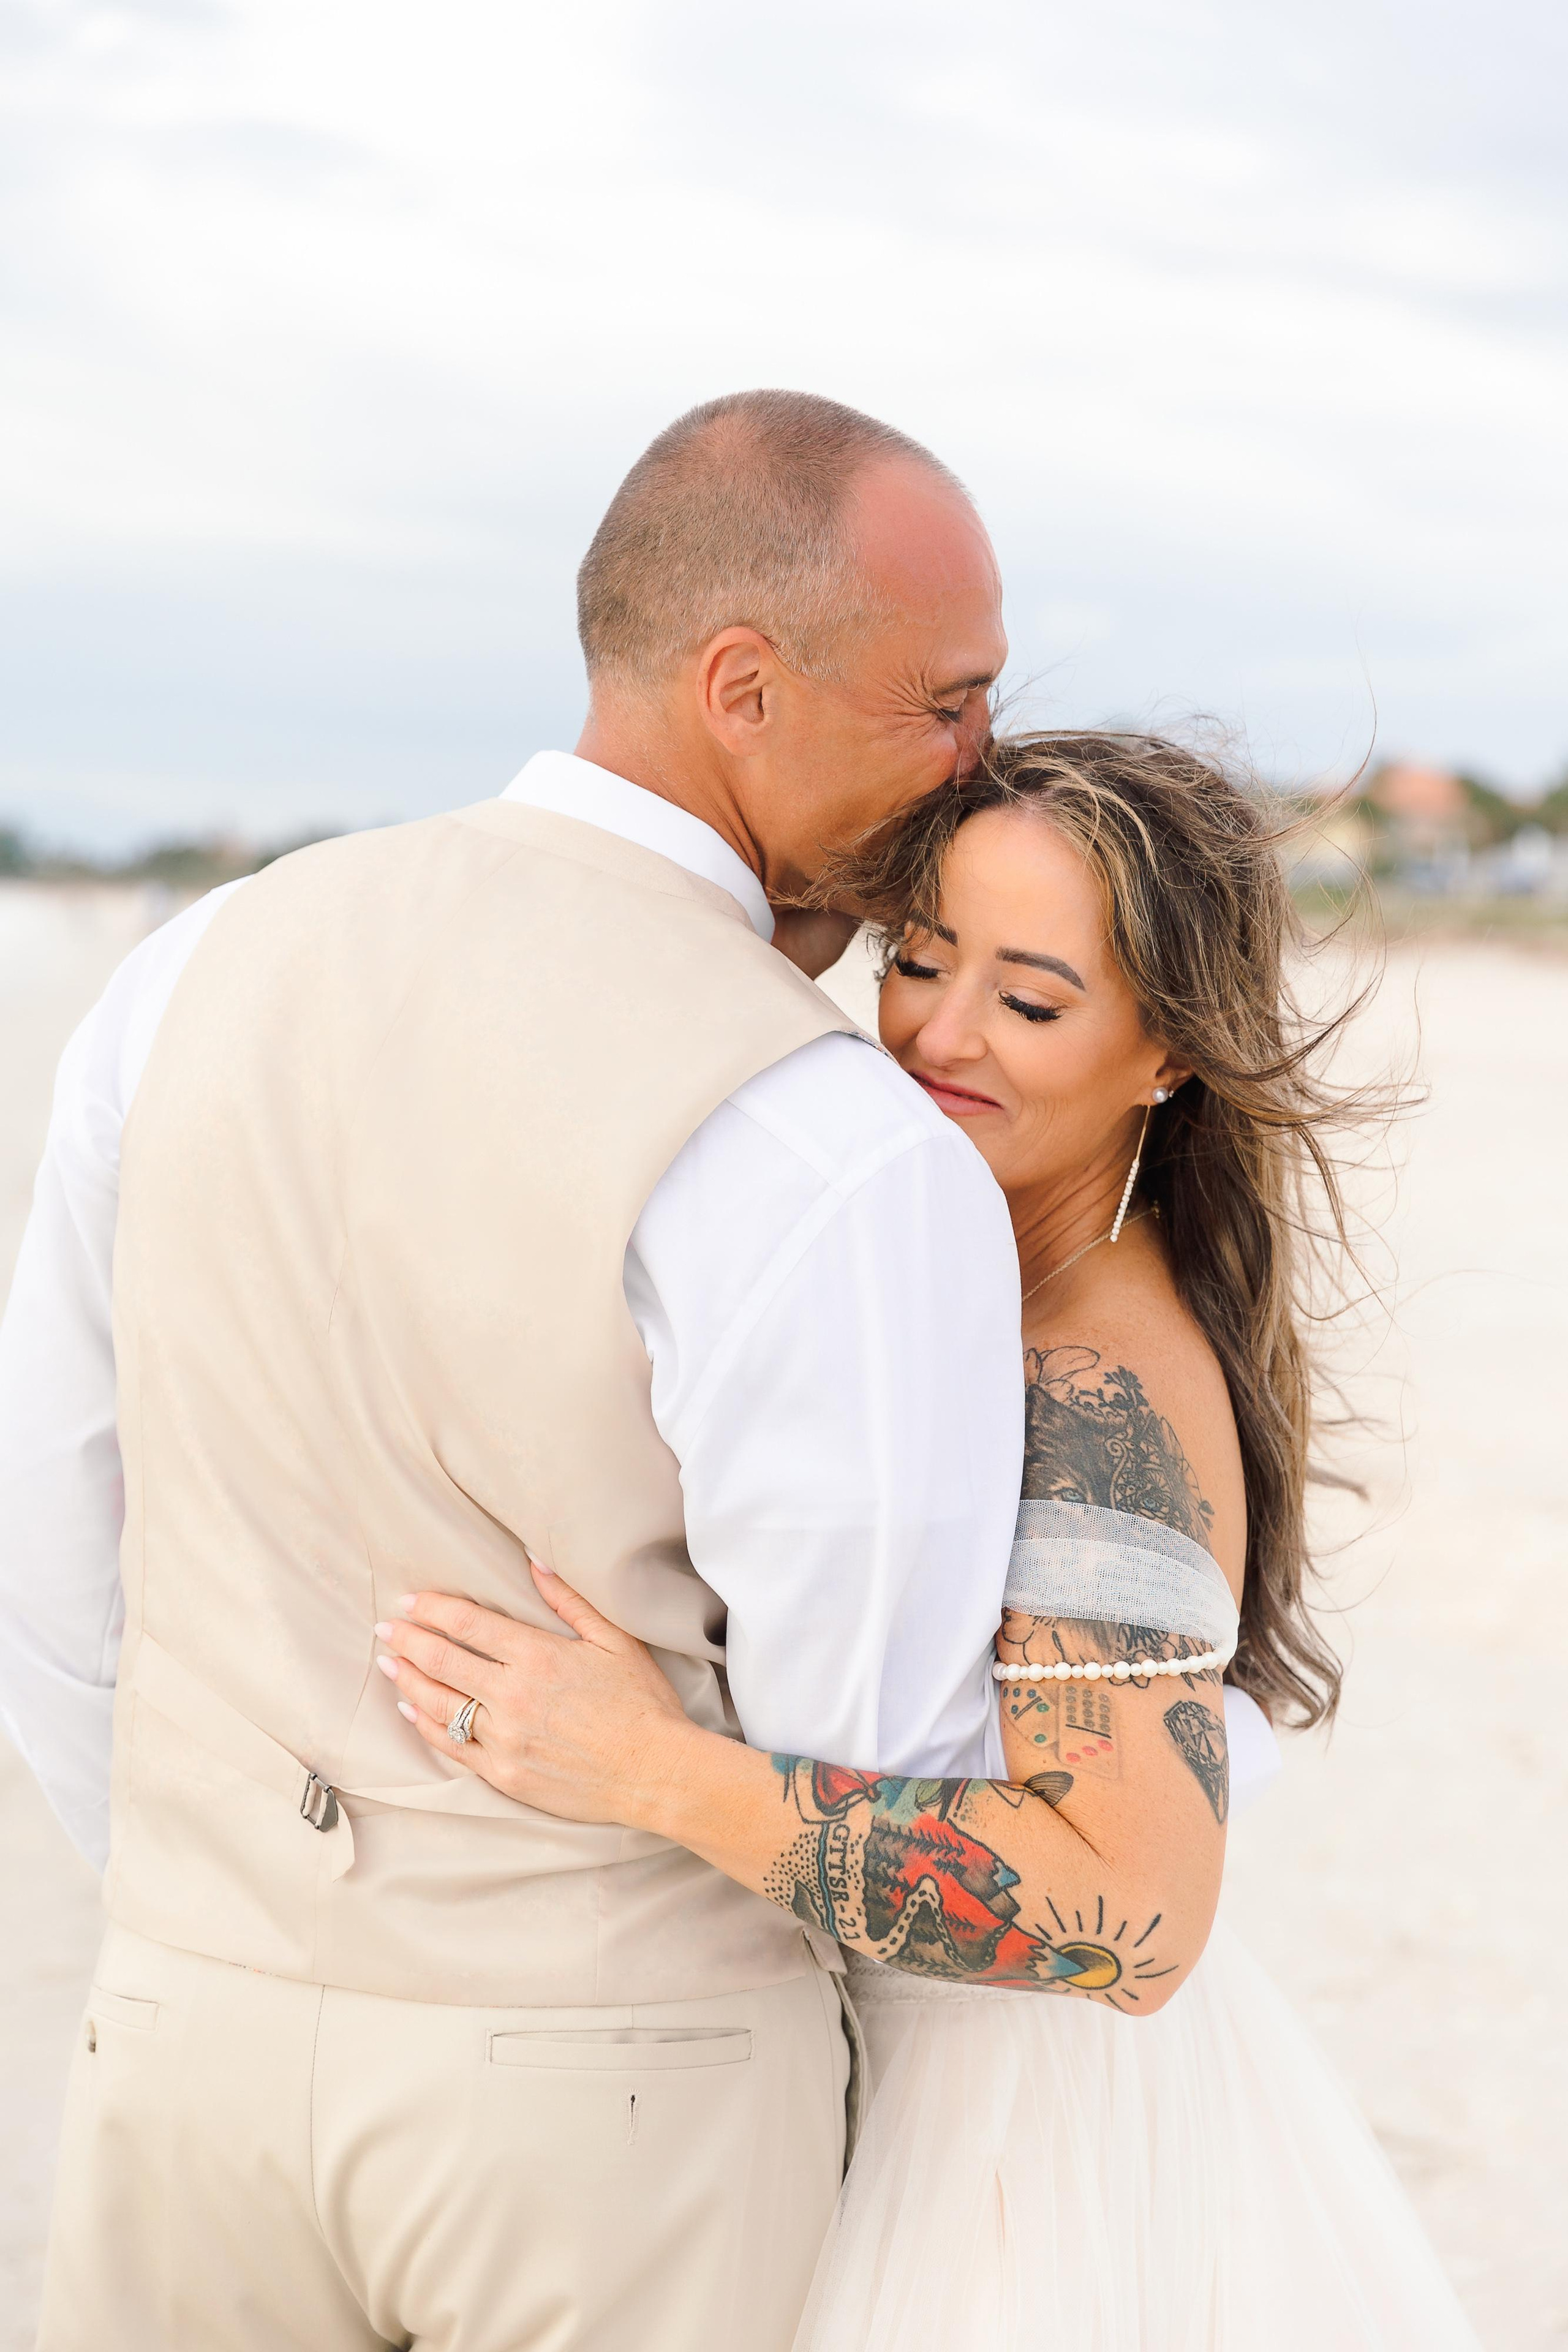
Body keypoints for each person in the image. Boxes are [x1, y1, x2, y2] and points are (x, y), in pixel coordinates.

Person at [0, 391, 1025, 2352]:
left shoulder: (195, 966)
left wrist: (199, 1905)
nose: (984, 768)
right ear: (744, 683)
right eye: (949, 704)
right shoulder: (826, 1140)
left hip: (182, 2040)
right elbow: (868, 1750)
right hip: (623, 2100)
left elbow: (48, 1509)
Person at [375, 731, 1483, 2349]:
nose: (936, 1036)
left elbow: (1138, 1921)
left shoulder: (1103, 1381)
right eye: (919, 960)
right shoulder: (983, 1278)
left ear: (1164, 1052)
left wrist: (643, 1767)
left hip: (1019, 2160)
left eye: (1030, 1003)